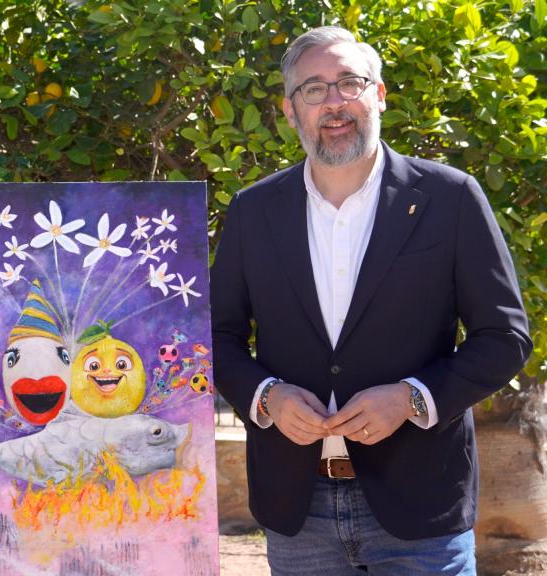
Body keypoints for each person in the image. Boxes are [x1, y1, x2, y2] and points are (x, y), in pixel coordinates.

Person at [211, 26, 531, 574]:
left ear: (379, 94)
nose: (333, 102)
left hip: (421, 506)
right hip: (297, 510)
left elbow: (504, 338)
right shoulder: (252, 210)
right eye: (313, 89)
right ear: (291, 112)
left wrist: (411, 398)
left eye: (348, 83)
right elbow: (215, 337)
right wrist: (266, 397)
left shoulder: (450, 198)